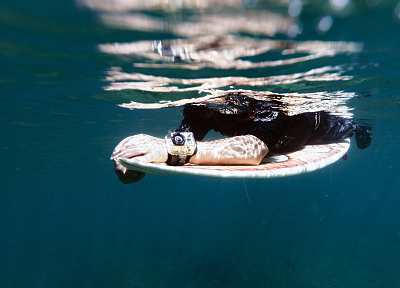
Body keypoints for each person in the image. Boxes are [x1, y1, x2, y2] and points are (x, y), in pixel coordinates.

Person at [111, 93, 372, 183]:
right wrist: (139, 161)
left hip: (323, 127)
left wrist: (168, 149)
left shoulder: (274, 104)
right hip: (283, 141)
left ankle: (362, 130)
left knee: (350, 126)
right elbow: (182, 139)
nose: (227, 108)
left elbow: (253, 150)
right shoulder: (203, 106)